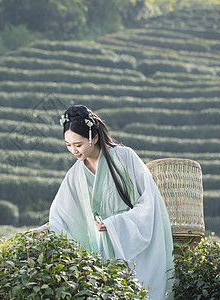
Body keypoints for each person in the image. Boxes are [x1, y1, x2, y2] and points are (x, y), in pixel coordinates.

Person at [32, 104, 174, 299]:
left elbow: (149, 203)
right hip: (100, 249)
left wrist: (114, 224)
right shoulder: (76, 173)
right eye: (68, 145)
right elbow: (66, 216)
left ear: (95, 138)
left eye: (78, 144)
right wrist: (47, 229)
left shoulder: (126, 158)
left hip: (131, 241)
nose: (74, 150)